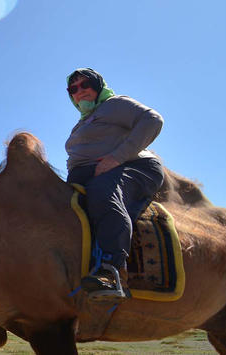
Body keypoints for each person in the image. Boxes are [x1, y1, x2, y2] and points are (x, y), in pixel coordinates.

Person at [64, 68, 165, 301]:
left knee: (102, 191)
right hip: (93, 173)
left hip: (134, 167)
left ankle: (112, 271)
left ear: (98, 86)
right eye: (73, 89)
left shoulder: (114, 104)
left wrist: (117, 157)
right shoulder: (80, 124)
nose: (80, 91)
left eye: (86, 84)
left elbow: (152, 119)